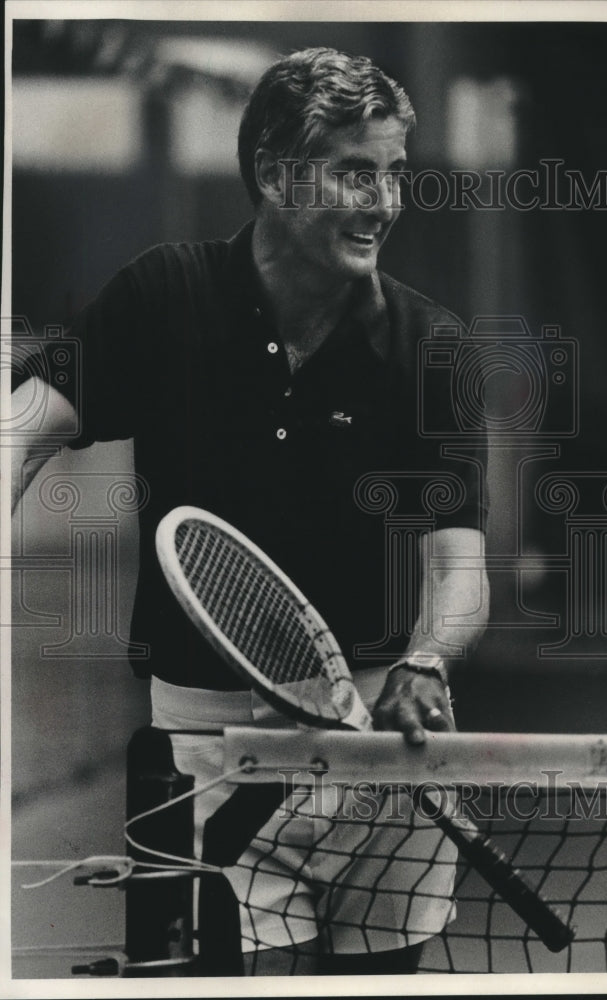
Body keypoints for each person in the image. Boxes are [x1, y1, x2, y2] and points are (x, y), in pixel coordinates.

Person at [12, 47, 490, 975]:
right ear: (275, 175)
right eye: (355, 171)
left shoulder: (434, 346)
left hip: (384, 734)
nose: (384, 202)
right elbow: (19, 430)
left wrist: (429, 658)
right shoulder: (162, 296)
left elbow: (457, 568)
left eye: (393, 173)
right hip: (207, 740)